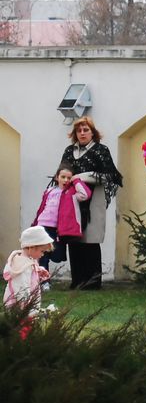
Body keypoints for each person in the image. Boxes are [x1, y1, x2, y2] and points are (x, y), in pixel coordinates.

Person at [59, 116, 123, 289]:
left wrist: (82, 176)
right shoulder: (69, 151)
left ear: (92, 133)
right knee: (73, 238)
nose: (82, 133)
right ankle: (77, 280)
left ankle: (93, 282)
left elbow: (110, 176)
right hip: (72, 200)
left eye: (86, 130)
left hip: (94, 199)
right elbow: (62, 172)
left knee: (91, 240)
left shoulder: (101, 150)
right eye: (79, 130)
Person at [33, 165, 91, 270]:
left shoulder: (72, 193)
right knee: (42, 255)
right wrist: (35, 223)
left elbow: (85, 194)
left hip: (56, 229)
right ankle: (43, 277)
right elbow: (42, 207)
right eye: (63, 177)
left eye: (69, 178)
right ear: (57, 177)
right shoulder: (49, 191)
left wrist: (76, 180)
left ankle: (43, 272)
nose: (66, 180)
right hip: (42, 225)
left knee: (57, 255)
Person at [3, 226, 54, 312]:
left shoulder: (27, 261)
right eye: (42, 251)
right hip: (19, 308)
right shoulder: (21, 267)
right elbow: (21, 288)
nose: (42, 255)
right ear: (31, 247)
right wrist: (27, 309)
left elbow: (30, 273)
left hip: (27, 305)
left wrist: (39, 271)